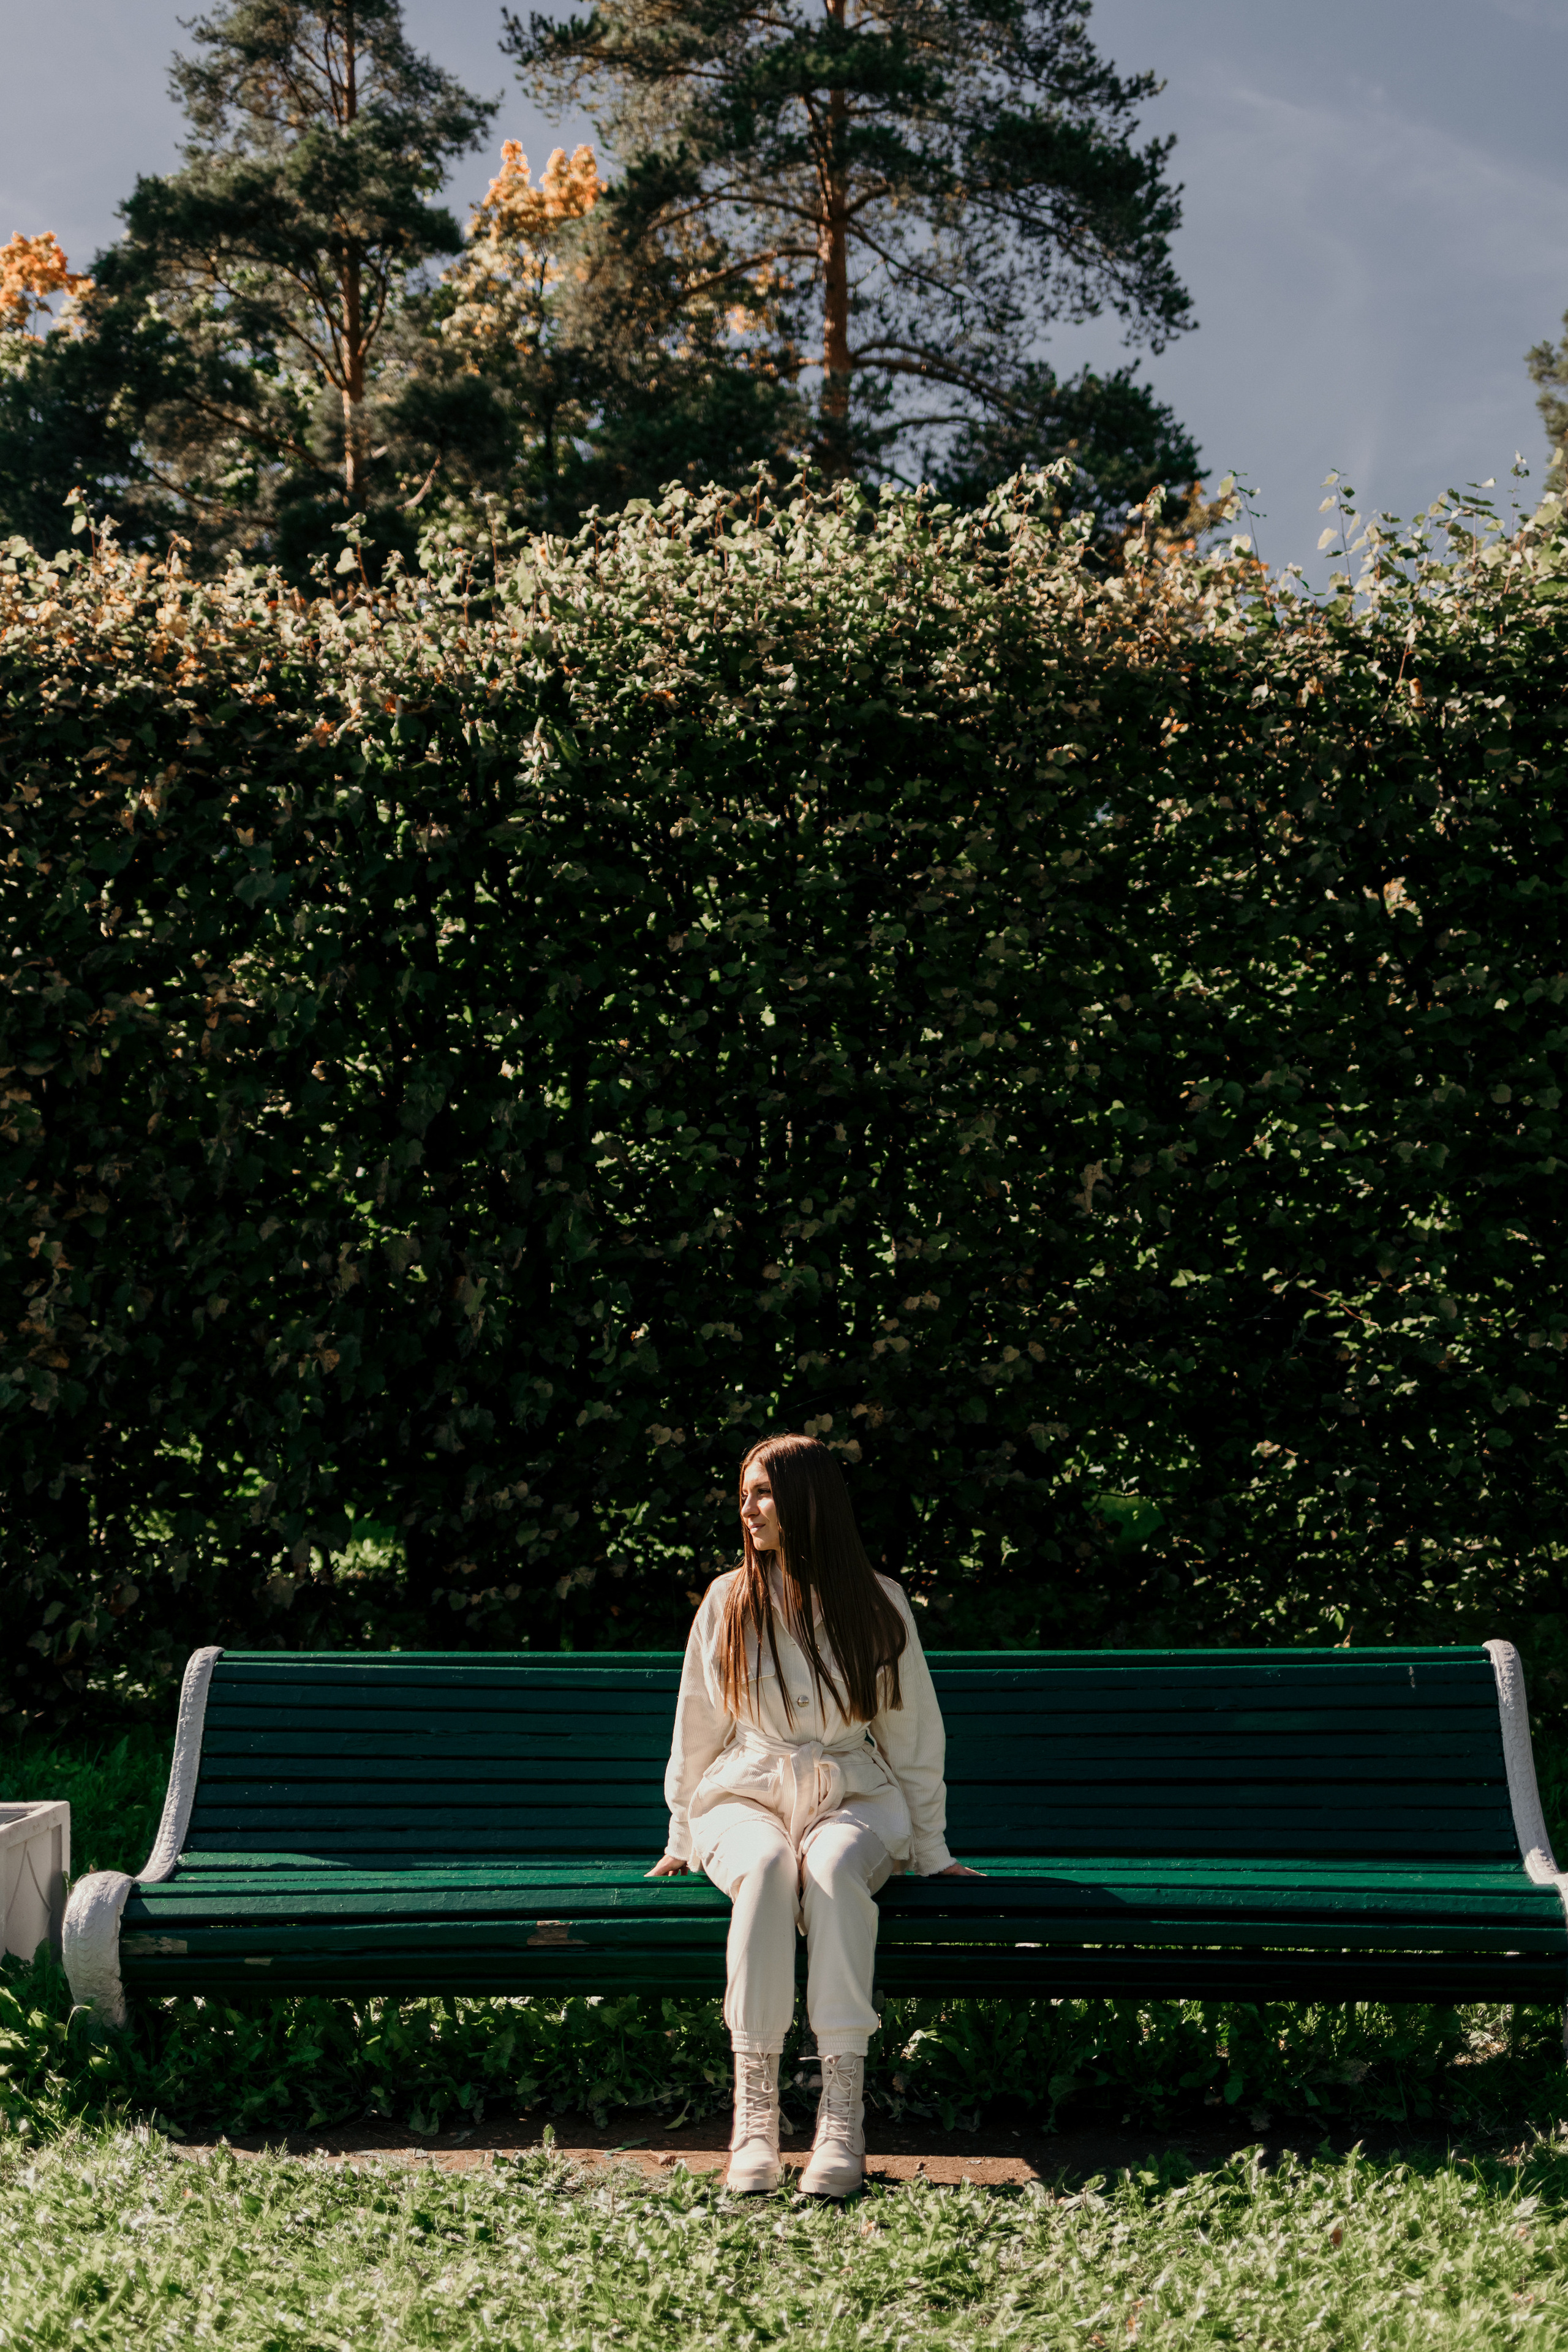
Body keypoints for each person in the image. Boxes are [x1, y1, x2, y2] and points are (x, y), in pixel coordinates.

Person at [647, 1431, 979, 2198]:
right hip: (745, 1794)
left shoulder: (877, 1601)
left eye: (763, 1492)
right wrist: (680, 1834)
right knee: (765, 1868)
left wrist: (929, 1850)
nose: (748, 1508)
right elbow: (696, 1726)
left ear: (807, 1500)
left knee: (830, 1869)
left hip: (854, 1794)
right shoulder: (728, 1600)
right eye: (745, 1495)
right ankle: (755, 2118)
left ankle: (841, 2114)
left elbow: (913, 1734)